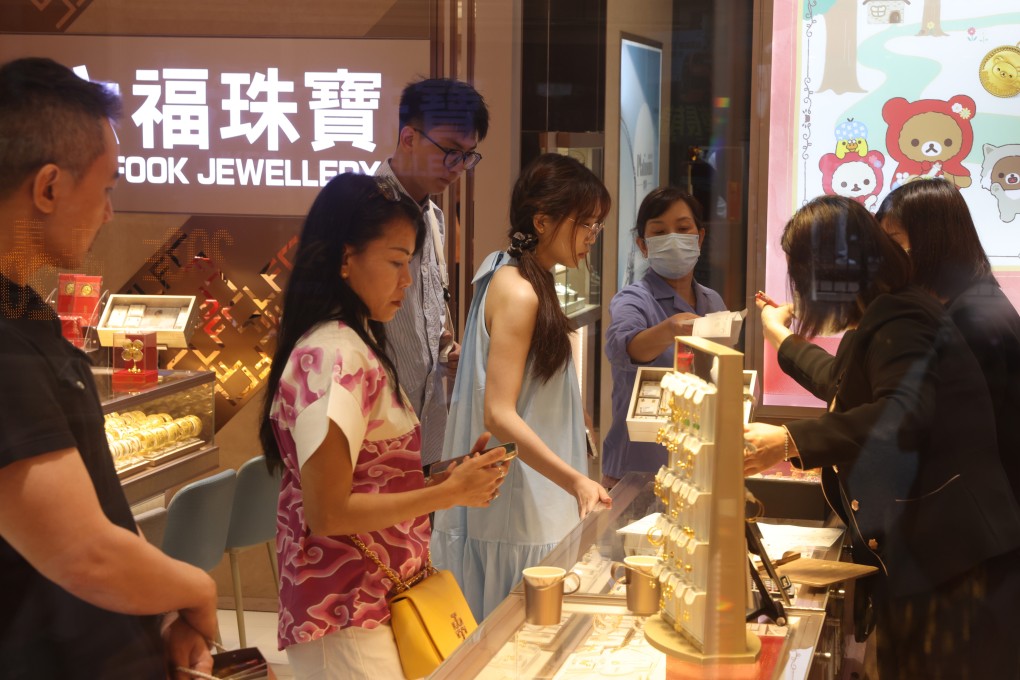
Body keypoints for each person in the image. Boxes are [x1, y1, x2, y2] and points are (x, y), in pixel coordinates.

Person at [0, 57, 217, 679]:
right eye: (106, 187)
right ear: (48, 188)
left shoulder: (26, 314)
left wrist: (161, 613)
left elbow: (102, 518)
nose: (110, 212)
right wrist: (193, 589)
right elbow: (84, 552)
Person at [743, 195, 1020, 679]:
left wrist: (787, 441)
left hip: (954, 570)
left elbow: (901, 411)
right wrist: (782, 341)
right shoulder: (891, 315)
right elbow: (847, 384)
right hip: (940, 563)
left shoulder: (900, 316)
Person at [258, 172, 506, 679]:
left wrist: (440, 478)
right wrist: (445, 494)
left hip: (372, 600)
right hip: (344, 611)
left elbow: (368, 476)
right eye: (395, 262)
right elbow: (327, 511)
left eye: (409, 263)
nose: (407, 279)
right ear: (346, 259)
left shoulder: (353, 344)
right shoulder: (330, 355)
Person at [431, 153, 614, 621]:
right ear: (542, 220)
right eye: (585, 224)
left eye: (597, 226)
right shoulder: (519, 289)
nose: (592, 238)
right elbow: (499, 412)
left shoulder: (511, 272)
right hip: (523, 503)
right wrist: (575, 479)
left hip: (531, 496)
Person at [876, 177, 1020, 503]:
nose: (885, 258)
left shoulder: (973, 318)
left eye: (893, 242)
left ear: (933, 242)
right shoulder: (967, 303)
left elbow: (942, 432)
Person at [377, 78, 490, 473]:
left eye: (468, 156)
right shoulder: (364, 213)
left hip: (426, 434)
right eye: (450, 152)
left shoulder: (434, 217)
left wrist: (448, 353)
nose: (458, 168)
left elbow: (427, 316)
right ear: (408, 137)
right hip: (372, 432)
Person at [603, 187, 726, 488]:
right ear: (643, 245)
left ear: (699, 237)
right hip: (639, 468)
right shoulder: (633, 299)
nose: (672, 238)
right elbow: (624, 347)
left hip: (698, 463)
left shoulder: (712, 302)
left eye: (683, 229)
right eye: (659, 232)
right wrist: (670, 330)